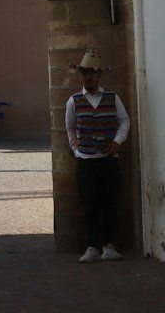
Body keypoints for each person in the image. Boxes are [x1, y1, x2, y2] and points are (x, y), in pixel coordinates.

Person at [64, 48, 130, 263]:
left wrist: (117, 141)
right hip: (86, 161)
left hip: (108, 160)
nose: (88, 78)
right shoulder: (73, 101)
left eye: (91, 73)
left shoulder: (112, 98)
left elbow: (124, 120)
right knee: (89, 204)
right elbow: (70, 128)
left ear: (98, 75)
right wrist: (75, 149)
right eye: (84, 74)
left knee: (110, 203)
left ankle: (109, 245)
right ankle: (92, 246)